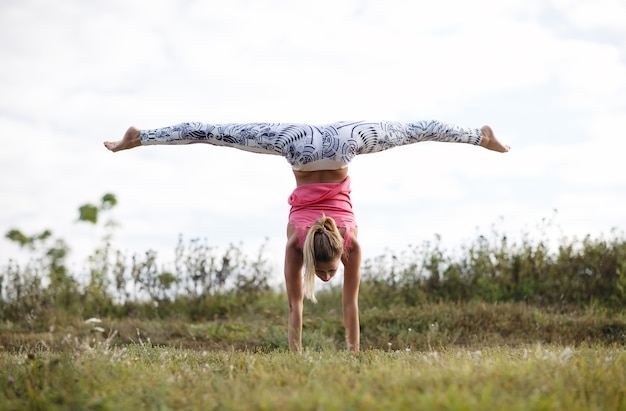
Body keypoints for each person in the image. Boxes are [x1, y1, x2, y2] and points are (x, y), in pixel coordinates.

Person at [104, 120, 509, 352]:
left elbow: (301, 306)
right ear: (334, 255)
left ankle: (139, 137)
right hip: (331, 141)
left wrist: (313, 354)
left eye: (328, 272)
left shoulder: (321, 243)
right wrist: (345, 354)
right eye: (330, 271)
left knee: (215, 133)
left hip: (316, 143)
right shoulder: (311, 242)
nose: (330, 277)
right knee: (416, 132)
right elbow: (341, 306)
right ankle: (480, 135)